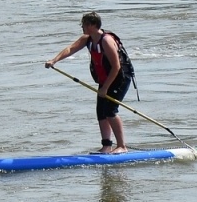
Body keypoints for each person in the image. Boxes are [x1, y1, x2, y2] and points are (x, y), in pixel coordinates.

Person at [46, 13, 135, 153]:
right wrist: (54, 60)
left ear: (93, 25)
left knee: (110, 111)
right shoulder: (87, 39)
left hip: (120, 77)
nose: (82, 27)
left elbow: (116, 67)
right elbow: (70, 49)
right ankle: (106, 146)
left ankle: (122, 146)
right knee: (101, 111)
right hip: (106, 78)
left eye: (84, 24)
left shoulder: (106, 40)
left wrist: (105, 88)